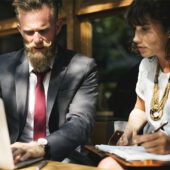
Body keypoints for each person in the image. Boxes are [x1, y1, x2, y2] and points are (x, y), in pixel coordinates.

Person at [0, 0, 98, 163]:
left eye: (43, 31)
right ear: (20, 30)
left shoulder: (83, 68)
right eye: (29, 32)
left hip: (63, 156)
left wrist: (41, 147)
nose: (37, 39)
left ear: (58, 26)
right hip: (16, 157)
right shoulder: (3, 67)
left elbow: (81, 123)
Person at [98, 0, 170, 169]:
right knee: (108, 165)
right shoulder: (147, 66)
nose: (136, 38)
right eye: (135, 29)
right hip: (156, 159)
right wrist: (129, 132)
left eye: (145, 29)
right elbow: (140, 108)